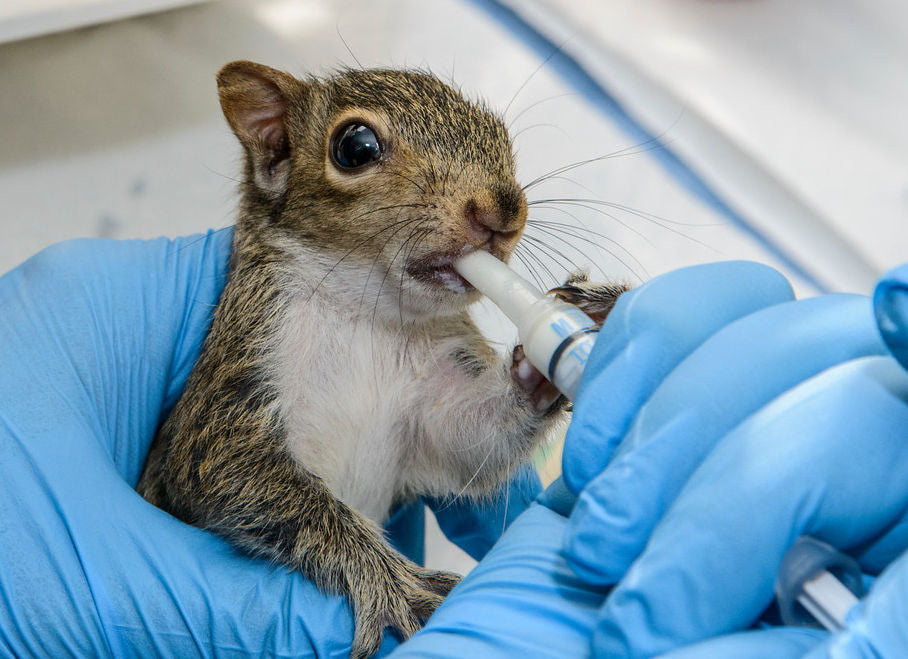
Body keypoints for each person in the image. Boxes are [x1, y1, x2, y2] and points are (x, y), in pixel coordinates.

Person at [1, 230, 905, 657]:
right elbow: (227, 471)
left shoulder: (426, 327)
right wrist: (375, 571)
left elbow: (458, 455)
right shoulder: (271, 304)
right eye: (364, 152)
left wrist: (527, 388)